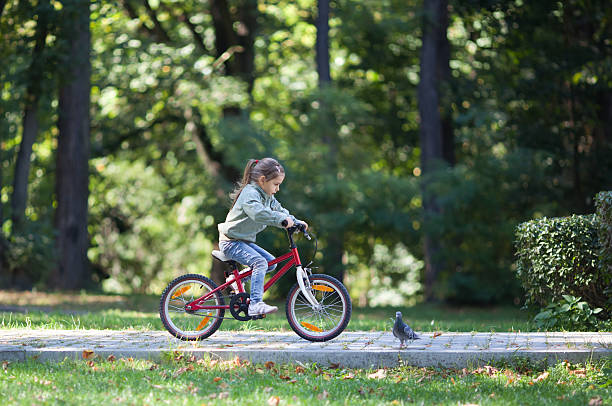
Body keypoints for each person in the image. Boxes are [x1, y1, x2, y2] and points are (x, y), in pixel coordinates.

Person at [218, 157, 308, 316]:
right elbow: (258, 213)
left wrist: (295, 221)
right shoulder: (250, 193)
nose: (278, 189)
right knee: (260, 262)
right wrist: (281, 220)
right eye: (276, 184)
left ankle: (234, 279)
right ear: (262, 180)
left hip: (242, 241)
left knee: (271, 263)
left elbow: (280, 210)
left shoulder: (268, 196)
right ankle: (255, 304)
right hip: (230, 242)